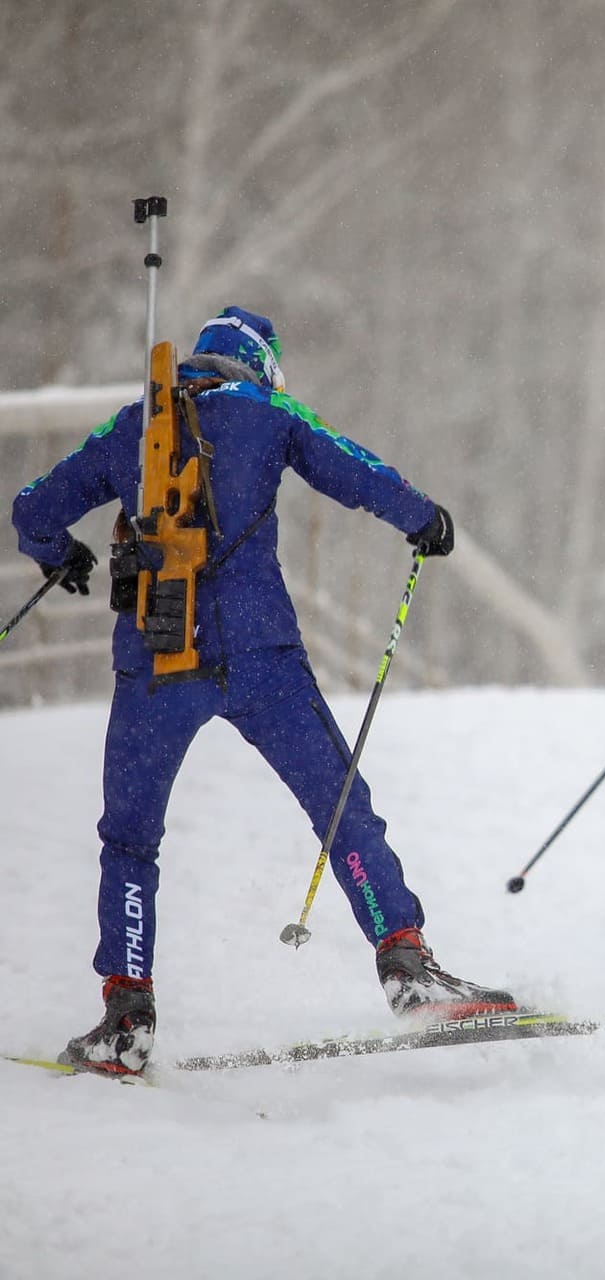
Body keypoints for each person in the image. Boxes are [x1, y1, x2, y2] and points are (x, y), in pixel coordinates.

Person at [11, 306, 515, 1078]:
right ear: (263, 364)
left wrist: (62, 554)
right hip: (261, 654)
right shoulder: (267, 412)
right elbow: (357, 471)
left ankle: (126, 1013)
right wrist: (427, 520)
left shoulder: (129, 427)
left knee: (131, 839)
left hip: (157, 660)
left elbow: (33, 508)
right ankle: (406, 967)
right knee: (339, 804)